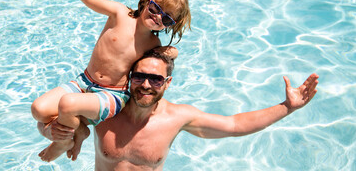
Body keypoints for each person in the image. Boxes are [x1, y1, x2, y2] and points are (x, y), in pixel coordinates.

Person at [30, 0, 191, 162]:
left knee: (67, 104)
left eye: (166, 19)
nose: (157, 18)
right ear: (146, 1)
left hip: (113, 94)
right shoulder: (119, 13)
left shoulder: (152, 45)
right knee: (39, 110)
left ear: (169, 26)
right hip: (83, 82)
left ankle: (65, 141)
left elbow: (168, 56)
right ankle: (80, 130)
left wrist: (172, 52)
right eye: (155, 9)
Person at [88, 49, 319, 170]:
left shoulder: (177, 118)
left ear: (168, 83)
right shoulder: (104, 108)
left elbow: (234, 125)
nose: (146, 85)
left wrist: (287, 107)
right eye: (139, 77)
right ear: (130, 78)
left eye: (156, 79)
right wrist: (64, 135)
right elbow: (56, 122)